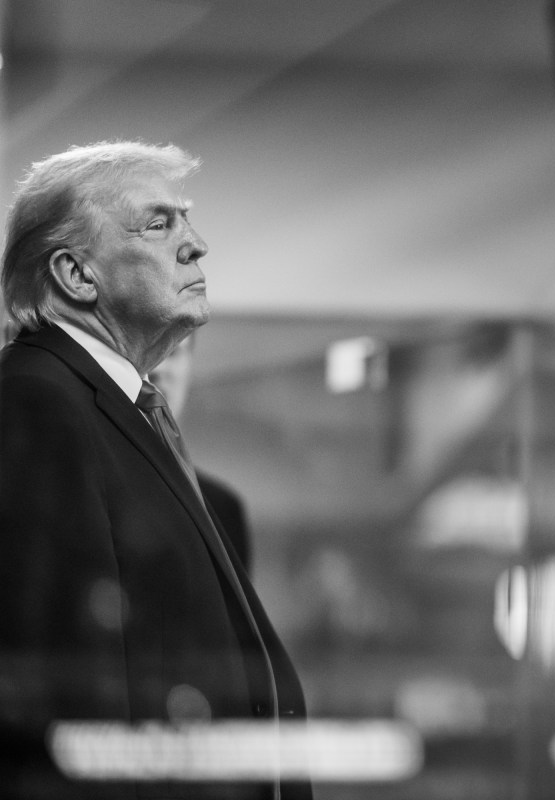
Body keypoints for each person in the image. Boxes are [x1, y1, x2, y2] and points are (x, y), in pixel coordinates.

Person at [0, 141, 309, 798]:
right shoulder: (36, 402)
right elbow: (59, 703)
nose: (196, 244)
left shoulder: (114, 409)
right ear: (76, 274)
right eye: (159, 223)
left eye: (186, 219)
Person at [150, 333, 254, 571]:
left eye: (172, 352)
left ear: (190, 365)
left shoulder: (222, 510)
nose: (158, 368)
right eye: (150, 350)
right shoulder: (95, 486)